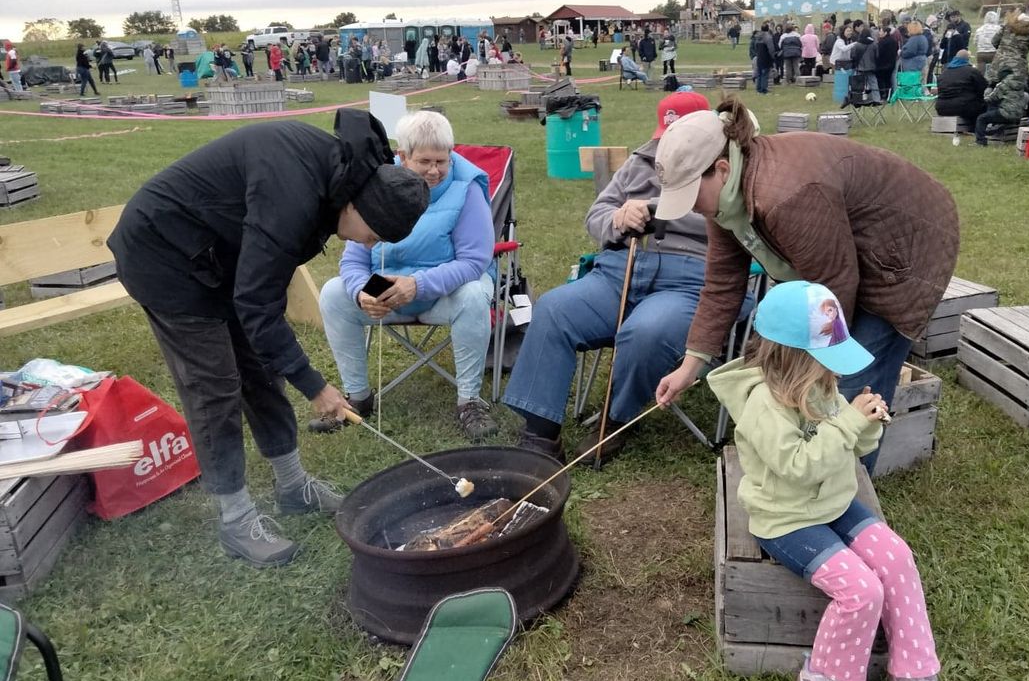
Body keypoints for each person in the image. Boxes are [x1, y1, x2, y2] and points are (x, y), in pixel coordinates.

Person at [107, 111, 428, 568]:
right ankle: (236, 520)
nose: (366, 242)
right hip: (162, 254)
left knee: (260, 368)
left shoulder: (339, 177)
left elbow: (261, 300)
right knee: (214, 384)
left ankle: (293, 487)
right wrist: (315, 386)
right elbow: (257, 305)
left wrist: (291, 368)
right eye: (372, 234)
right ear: (356, 206)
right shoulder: (294, 194)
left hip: (220, 254)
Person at [652, 100, 959, 475]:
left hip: (904, 251)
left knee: (852, 380)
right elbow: (722, 284)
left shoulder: (787, 195)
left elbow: (834, 287)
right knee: (805, 374)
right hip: (844, 257)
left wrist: (817, 364)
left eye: (691, 195)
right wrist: (690, 365)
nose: (692, 209)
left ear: (722, 169)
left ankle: (848, 495)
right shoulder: (723, 199)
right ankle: (812, 481)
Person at [708, 280, 954, 681]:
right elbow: (799, 466)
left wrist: (869, 422)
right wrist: (846, 425)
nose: (834, 371)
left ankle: (913, 671)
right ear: (794, 358)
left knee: (896, 557)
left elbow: (853, 448)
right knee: (861, 590)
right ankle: (821, 675)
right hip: (786, 519)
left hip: (834, 504)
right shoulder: (763, 405)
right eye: (826, 358)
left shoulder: (820, 386)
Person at [505, 92, 721, 465]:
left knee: (647, 331)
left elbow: (731, 221)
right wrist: (617, 219)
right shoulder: (641, 160)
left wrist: (656, 210)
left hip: (688, 278)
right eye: (663, 138)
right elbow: (597, 214)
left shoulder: (725, 171)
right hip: (620, 269)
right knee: (555, 309)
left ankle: (617, 421)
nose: (665, 148)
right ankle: (540, 436)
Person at [317, 111, 498, 441]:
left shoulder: (467, 189)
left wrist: (418, 285)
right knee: (332, 292)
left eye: (442, 161)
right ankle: (357, 397)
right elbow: (354, 259)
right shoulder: (380, 186)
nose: (434, 170)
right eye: (424, 161)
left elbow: (474, 261)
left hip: (444, 289)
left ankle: (470, 401)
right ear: (402, 156)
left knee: (474, 294)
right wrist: (363, 292)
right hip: (387, 287)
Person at [990, 10, 1029, 84]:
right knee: (1016, 93)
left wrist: (1004, 52)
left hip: (997, 65)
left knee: (993, 91)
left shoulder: (1010, 24)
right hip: (1017, 68)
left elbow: (994, 41)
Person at [935, 50, 986, 134]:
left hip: (942, 107)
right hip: (964, 107)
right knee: (983, 105)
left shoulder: (944, 73)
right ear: (967, 59)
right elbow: (983, 88)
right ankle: (975, 128)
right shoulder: (972, 71)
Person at [975, 66, 1027, 145]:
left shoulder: (1003, 84)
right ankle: (996, 127)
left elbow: (991, 98)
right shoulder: (1020, 83)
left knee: (981, 118)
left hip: (1006, 113)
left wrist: (981, 100)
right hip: (1019, 115)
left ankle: (980, 141)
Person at [873, 26, 898, 97]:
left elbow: (878, 53)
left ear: (885, 33)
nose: (879, 33)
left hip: (881, 65)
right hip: (891, 64)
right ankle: (889, 95)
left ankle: (882, 95)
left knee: (880, 80)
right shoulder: (894, 41)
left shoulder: (881, 42)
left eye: (881, 31)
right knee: (888, 81)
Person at [753, 22, 776, 94]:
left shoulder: (757, 37)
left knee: (759, 74)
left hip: (759, 58)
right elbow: (771, 49)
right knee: (765, 74)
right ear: (768, 29)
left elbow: (755, 47)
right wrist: (773, 57)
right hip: (766, 58)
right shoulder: (768, 37)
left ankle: (758, 89)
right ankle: (763, 90)